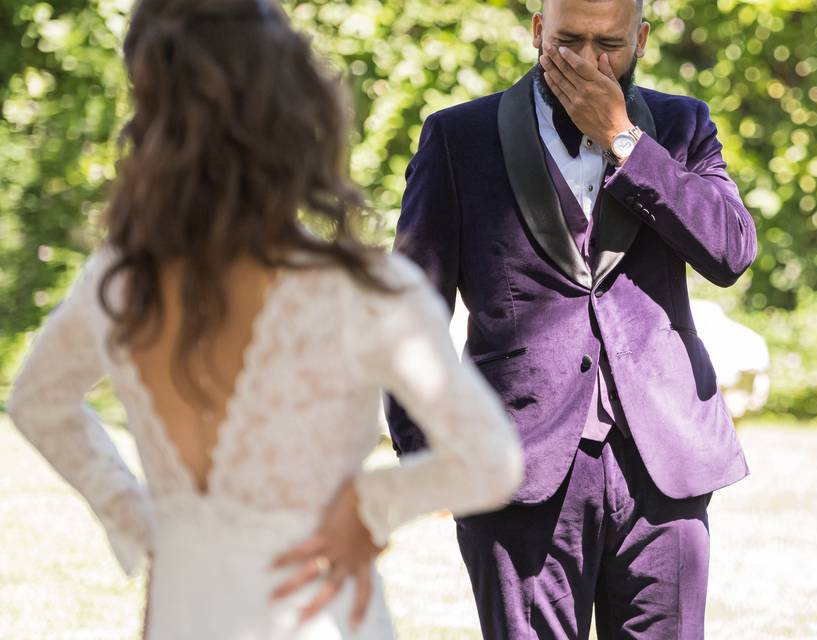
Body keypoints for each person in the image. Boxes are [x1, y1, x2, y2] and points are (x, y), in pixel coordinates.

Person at [6, 0, 523, 637]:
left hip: (182, 608)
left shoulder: (119, 281)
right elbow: (492, 460)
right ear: (297, 113)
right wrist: (370, 507)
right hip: (317, 612)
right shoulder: (362, 288)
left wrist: (146, 522)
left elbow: (36, 401)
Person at [386, 0, 758, 638]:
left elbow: (730, 252)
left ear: (641, 38)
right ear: (537, 31)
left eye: (609, 45)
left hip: (663, 463)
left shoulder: (682, 126)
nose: (588, 63)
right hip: (517, 465)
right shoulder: (458, 136)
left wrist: (625, 142)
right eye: (569, 42)